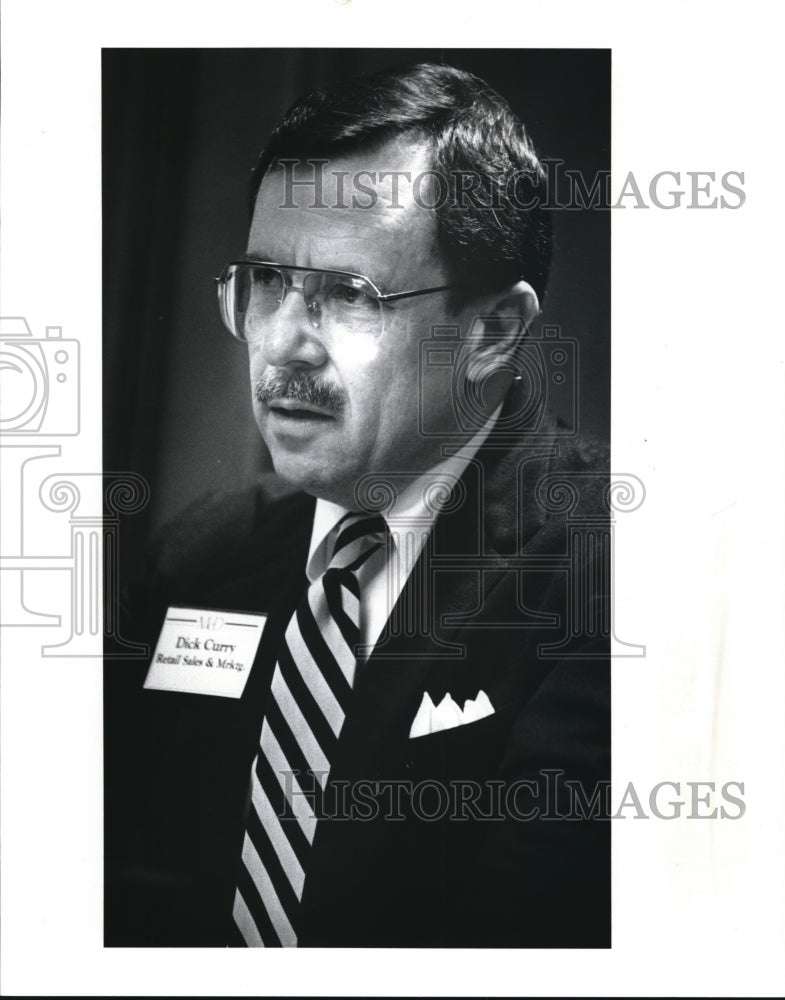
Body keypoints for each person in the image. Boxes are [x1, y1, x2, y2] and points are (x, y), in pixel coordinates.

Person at [104, 62, 610, 948]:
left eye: (349, 294)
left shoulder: (610, 570)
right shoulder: (202, 554)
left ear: (493, 330)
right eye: (266, 279)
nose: (283, 349)